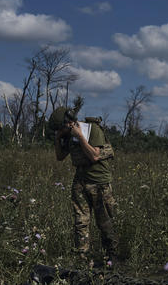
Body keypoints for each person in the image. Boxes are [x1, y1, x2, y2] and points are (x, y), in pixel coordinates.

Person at [49, 107, 118, 265]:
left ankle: (111, 259)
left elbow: (94, 155)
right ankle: (82, 260)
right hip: (80, 182)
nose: (61, 131)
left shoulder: (92, 129)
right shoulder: (67, 135)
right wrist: (58, 138)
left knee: (106, 222)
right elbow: (60, 157)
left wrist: (80, 137)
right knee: (81, 222)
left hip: (99, 182)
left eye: (61, 128)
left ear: (69, 123)